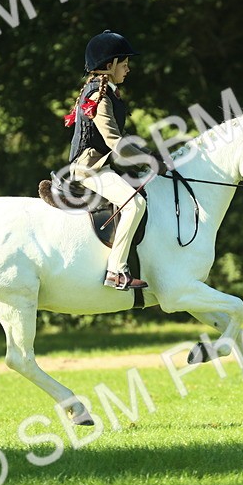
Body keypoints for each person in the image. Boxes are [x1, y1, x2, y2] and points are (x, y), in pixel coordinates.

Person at [64, 31, 164, 291]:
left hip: (99, 165)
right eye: (124, 64)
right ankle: (116, 270)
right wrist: (148, 160)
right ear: (109, 66)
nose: (128, 69)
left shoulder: (105, 93)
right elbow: (115, 142)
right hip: (89, 169)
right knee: (134, 204)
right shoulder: (98, 96)